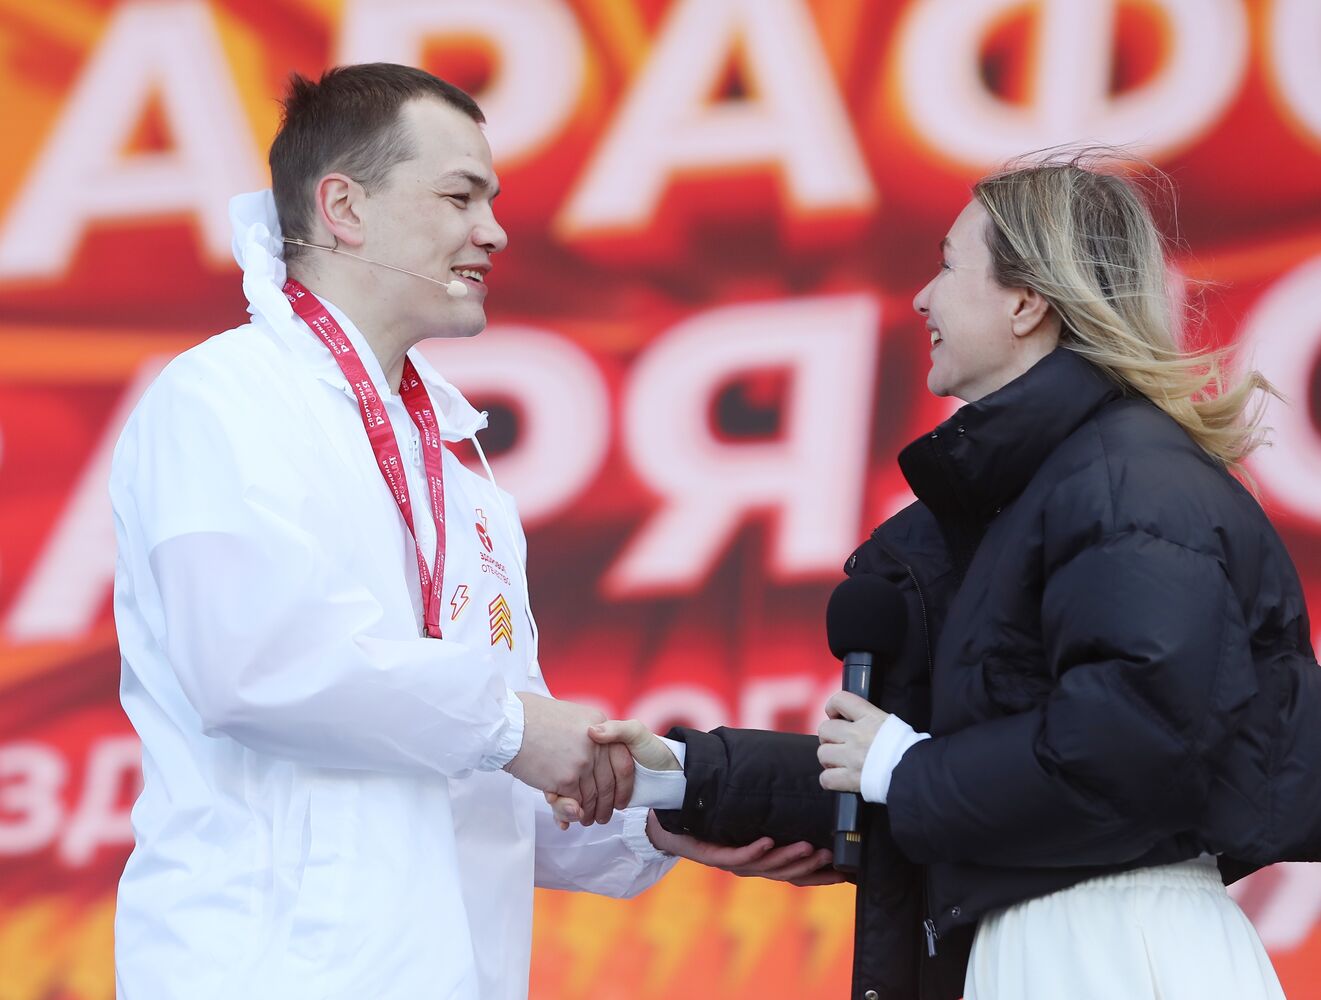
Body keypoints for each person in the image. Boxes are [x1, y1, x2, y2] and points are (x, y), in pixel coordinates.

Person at [109, 63, 813, 1000]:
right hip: (263, 968)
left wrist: (645, 819)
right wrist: (514, 727)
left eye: (491, 199)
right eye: (458, 195)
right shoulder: (223, 396)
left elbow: (476, 771)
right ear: (344, 208)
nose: (494, 230)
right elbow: (252, 669)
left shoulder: (455, 460)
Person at [555, 153, 1321, 1000]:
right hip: (1032, 944)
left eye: (948, 265)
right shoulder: (1048, 492)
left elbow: (1132, 749)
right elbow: (924, 774)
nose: (921, 297)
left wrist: (906, 771)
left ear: (1027, 301)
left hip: (1109, 950)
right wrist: (681, 774)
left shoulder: (1127, 479)